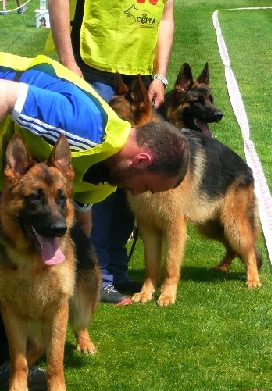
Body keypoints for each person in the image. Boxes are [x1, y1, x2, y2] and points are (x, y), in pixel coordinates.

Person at [0, 51, 189, 388]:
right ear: (142, 160)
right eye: (146, 186)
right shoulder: (85, 127)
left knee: (6, 224)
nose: (137, 193)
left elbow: (76, 228)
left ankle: (15, 345)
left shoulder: (105, 174)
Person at [48, 0, 175, 304]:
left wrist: (160, 75)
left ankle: (116, 270)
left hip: (140, 80)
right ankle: (96, 271)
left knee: (132, 178)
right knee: (99, 179)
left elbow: (165, 16)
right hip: (93, 72)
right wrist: (68, 61)